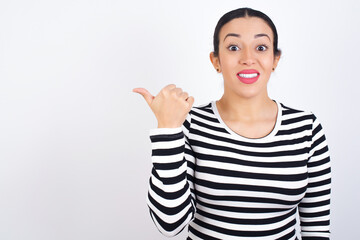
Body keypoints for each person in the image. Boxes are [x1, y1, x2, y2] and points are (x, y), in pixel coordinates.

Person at [133, 7, 331, 240]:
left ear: (275, 59)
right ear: (216, 60)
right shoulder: (189, 125)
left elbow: (316, 229)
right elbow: (170, 223)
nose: (248, 58)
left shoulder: (307, 128)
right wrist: (167, 129)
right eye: (233, 47)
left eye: (261, 47)